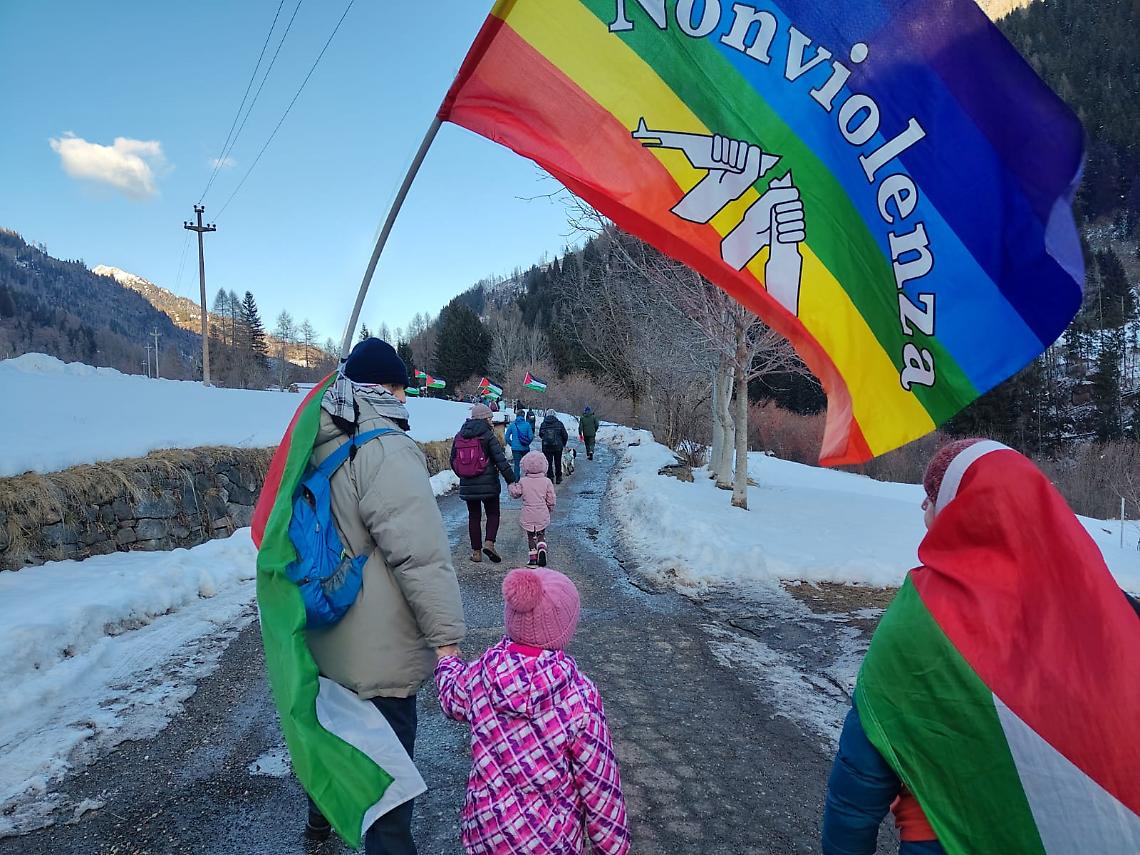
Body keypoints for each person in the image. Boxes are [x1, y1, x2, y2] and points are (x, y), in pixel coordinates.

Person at [822, 438, 1140, 855]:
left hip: (945, 839)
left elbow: (860, 779)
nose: (923, 507)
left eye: (931, 496)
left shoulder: (921, 618)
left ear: (960, 508)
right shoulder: (1112, 612)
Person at [304, 338, 465, 853]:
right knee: (389, 780)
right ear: (387, 388)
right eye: (402, 387)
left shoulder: (318, 440)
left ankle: (320, 819)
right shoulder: (385, 447)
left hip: (326, 626)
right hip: (381, 649)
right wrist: (446, 640)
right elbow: (420, 555)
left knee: (335, 731)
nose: (407, 397)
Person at [434, 567, 631, 855]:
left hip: (487, 833)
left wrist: (446, 659)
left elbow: (452, 696)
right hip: (550, 840)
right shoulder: (578, 695)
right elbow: (599, 781)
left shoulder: (481, 675)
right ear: (565, 629)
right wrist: (612, 848)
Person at [452, 403, 516, 564]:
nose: (492, 421)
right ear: (485, 418)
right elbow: (501, 460)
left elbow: (453, 460)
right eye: (490, 418)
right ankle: (489, 543)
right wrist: (512, 480)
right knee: (493, 514)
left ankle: (476, 553)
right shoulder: (487, 436)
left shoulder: (460, 435)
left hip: (468, 484)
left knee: (474, 517)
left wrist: (463, 474)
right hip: (489, 484)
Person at [508, 449, 556, 566]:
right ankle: (542, 549)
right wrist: (550, 507)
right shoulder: (546, 481)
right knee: (541, 534)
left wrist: (511, 486)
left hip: (528, 513)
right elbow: (551, 498)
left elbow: (516, 493)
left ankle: (533, 558)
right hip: (541, 512)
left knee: (530, 536)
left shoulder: (523, 481)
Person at [539, 408, 569, 484]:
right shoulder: (559, 423)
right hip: (558, 447)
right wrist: (563, 444)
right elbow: (565, 435)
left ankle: (550, 478)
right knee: (558, 462)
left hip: (546, 447)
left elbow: (540, 434)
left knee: (548, 462)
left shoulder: (543, 424)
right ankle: (558, 477)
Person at [504, 409, 535, 481]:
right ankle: (526, 479)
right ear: (524, 416)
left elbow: (506, 437)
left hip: (515, 449)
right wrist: (527, 443)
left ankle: (516, 480)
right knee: (526, 464)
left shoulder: (513, 425)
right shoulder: (527, 425)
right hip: (525, 448)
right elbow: (530, 437)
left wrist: (512, 444)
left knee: (517, 465)